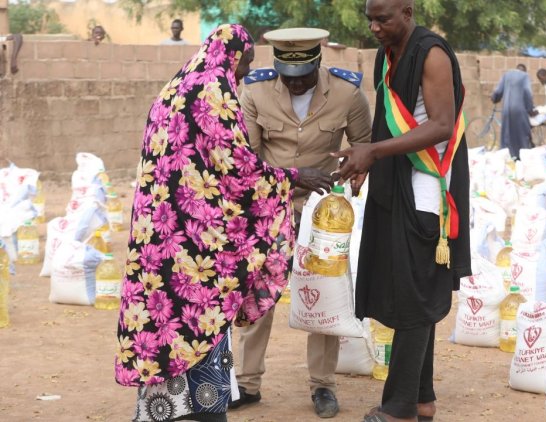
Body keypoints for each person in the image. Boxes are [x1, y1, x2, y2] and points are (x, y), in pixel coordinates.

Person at [114, 24, 334, 422]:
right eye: (246, 62)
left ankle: (165, 411)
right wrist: (294, 178)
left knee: (164, 329)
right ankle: (202, 411)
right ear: (231, 56)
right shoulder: (212, 91)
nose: (247, 72)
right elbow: (237, 169)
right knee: (198, 328)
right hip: (192, 249)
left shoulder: (173, 89)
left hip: (157, 243)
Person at [332, 0, 471, 420]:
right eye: (370, 19)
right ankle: (422, 398)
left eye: (383, 19)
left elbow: (441, 124)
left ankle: (400, 407)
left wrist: (372, 152)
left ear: (407, 13)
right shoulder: (386, 54)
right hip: (395, 185)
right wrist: (367, 164)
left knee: (414, 294)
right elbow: (390, 121)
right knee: (408, 289)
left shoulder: (432, 54)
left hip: (428, 189)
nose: (374, 27)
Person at [230, 27, 372, 419]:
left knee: (323, 298)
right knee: (258, 298)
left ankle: (323, 386)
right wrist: (290, 179)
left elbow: (364, 149)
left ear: (318, 64)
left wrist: (349, 179)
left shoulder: (347, 94)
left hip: (323, 214)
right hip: (269, 210)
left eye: (303, 77)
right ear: (276, 68)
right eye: (286, 77)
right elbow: (247, 160)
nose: (294, 84)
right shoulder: (256, 92)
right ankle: (247, 382)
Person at [490, 63, 534, 159]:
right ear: (524, 70)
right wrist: (530, 108)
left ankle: (508, 158)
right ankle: (522, 158)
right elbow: (527, 91)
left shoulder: (506, 75)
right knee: (522, 134)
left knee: (507, 134)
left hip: (506, 110)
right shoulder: (525, 76)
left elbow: (498, 91)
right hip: (520, 110)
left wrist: (494, 98)